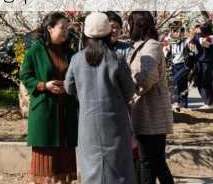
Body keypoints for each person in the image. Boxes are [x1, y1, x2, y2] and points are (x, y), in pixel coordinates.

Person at [64, 12, 136, 184]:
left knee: (91, 168)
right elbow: (129, 91)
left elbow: (69, 87)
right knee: (119, 169)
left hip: (88, 122)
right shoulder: (116, 59)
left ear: (86, 34)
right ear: (107, 33)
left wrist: (84, 95)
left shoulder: (76, 60)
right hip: (115, 122)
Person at [19, 12, 78, 184]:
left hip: (66, 109)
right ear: (50, 28)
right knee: (46, 164)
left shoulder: (70, 52)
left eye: (67, 28)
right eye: (62, 27)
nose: (66, 31)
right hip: (45, 111)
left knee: (65, 159)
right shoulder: (35, 51)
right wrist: (44, 85)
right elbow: (25, 75)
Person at [128, 11, 174, 184]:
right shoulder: (141, 45)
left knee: (152, 162)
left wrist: (133, 89)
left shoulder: (151, 46)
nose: (128, 27)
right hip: (145, 112)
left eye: (129, 23)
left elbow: (148, 76)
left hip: (152, 111)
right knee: (151, 161)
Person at [190, 21, 213, 107]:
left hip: (208, 62)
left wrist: (197, 36)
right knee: (198, 81)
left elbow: (204, 43)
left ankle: (209, 102)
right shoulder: (198, 36)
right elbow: (191, 45)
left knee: (206, 82)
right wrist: (194, 37)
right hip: (199, 62)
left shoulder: (212, 37)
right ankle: (206, 100)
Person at [164, 21, 191, 110]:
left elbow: (191, 40)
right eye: (176, 32)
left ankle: (176, 101)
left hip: (184, 66)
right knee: (182, 85)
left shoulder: (186, 41)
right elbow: (168, 53)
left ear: (183, 33)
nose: (178, 34)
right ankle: (183, 104)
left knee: (175, 81)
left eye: (180, 32)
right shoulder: (171, 42)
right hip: (175, 66)